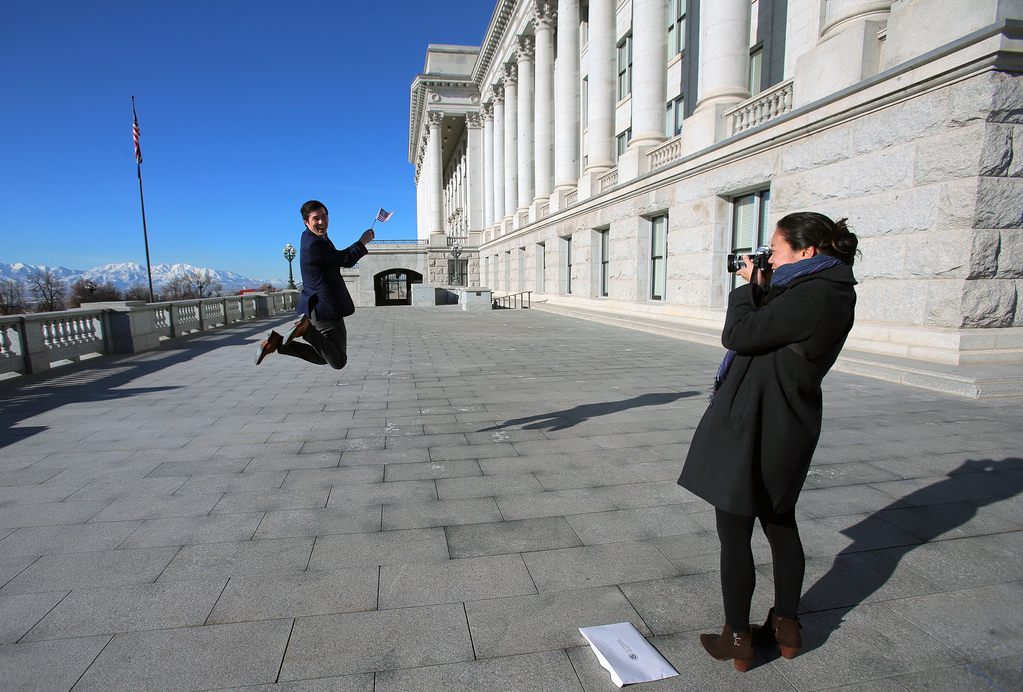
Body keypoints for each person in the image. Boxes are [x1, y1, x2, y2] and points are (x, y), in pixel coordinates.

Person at [677, 212, 859, 672]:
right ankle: (786, 627)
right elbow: (776, 330)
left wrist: (744, 290)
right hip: (789, 422)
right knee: (780, 523)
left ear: (806, 251)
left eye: (775, 250)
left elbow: (739, 334)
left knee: (735, 532)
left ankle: (738, 638)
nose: (769, 259)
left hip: (755, 423)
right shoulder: (828, 289)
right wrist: (764, 283)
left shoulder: (815, 295)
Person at [255, 200, 375, 368]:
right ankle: (305, 331)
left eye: (324, 216)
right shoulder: (314, 244)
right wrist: (362, 242)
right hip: (324, 307)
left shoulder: (313, 238)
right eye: (315, 218)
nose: (321, 222)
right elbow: (346, 260)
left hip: (323, 305)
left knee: (325, 355)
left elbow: (337, 256)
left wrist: (359, 244)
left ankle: (277, 343)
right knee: (338, 361)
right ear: (306, 221)